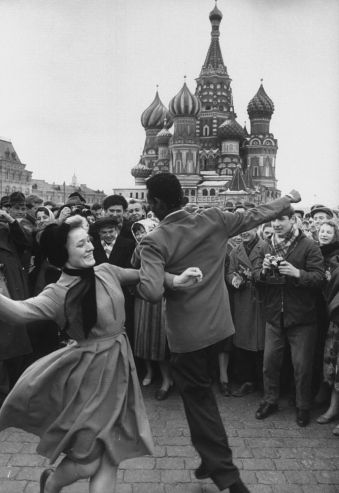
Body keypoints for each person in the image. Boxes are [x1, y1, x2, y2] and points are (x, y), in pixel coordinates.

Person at [0, 215, 201, 493]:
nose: (91, 247)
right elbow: (21, 313)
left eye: (89, 241)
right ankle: (51, 484)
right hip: (89, 379)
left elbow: (144, 276)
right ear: (63, 253)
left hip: (119, 367)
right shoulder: (57, 293)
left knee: (111, 454)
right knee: (87, 460)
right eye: (81, 244)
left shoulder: (106, 271)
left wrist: (176, 280)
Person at [136, 172, 301, 493]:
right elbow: (257, 214)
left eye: (148, 199)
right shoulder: (213, 219)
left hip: (187, 339)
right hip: (221, 329)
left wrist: (160, 277)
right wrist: (289, 199)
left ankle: (227, 475)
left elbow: (152, 291)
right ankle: (208, 459)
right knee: (200, 399)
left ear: (155, 202)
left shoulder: (155, 240)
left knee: (199, 403)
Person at [253, 207, 324, 427]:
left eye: (281, 219)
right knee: (269, 363)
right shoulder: (264, 245)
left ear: (292, 220)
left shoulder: (309, 245)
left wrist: (297, 273)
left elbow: (320, 277)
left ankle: (303, 406)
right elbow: (255, 275)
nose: (276, 224)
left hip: (302, 317)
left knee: (302, 366)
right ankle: (270, 400)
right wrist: (263, 272)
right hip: (274, 314)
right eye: (273, 220)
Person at [131, 219, 173, 400]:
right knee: (143, 337)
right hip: (142, 298)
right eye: (138, 232)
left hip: (158, 296)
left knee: (159, 339)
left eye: (144, 231)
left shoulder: (163, 246)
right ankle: (149, 372)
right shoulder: (138, 247)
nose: (141, 235)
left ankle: (166, 379)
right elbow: (133, 265)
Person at [226, 227, 266, 397]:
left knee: (262, 343)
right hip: (243, 299)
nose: (245, 233)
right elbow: (229, 272)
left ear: (256, 228)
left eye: (248, 229)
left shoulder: (266, 247)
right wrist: (234, 279)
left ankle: (264, 382)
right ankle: (247, 381)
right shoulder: (236, 250)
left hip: (261, 300)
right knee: (243, 342)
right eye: (241, 230)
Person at [315, 220, 339, 435]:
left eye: (328, 232)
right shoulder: (316, 251)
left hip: (332, 308)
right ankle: (330, 405)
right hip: (331, 314)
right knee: (331, 361)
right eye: (321, 231)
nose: (324, 234)